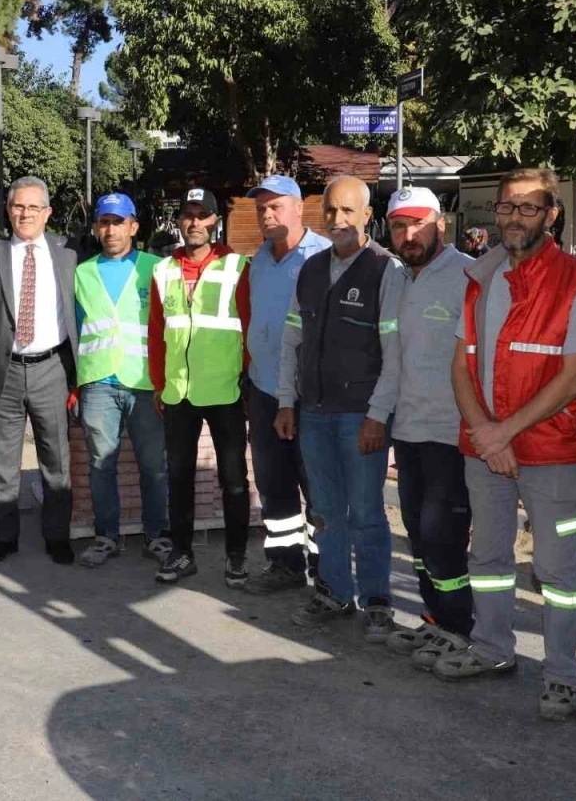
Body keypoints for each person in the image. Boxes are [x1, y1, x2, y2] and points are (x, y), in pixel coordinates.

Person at [437, 167, 576, 724]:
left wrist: (502, 432)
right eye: (507, 207)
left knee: (558, 571)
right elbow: (462, 364)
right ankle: (492, 649)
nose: (514, 217)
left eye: (529, 208)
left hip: (551, 451)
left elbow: (575, 376)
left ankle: (561, 675)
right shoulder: (480, 275)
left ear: (552, 215)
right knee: (488, 557)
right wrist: (486, 431)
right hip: (484, 446)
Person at [274, 176, 404, 639]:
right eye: (331, 210)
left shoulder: (386, 269)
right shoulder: (309, 271)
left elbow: (394, 354)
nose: (338, 220)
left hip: (360, 415)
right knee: (324, 510)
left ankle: (376, 602)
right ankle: (333, 592)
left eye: (349, 211)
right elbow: (292, 340)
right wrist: (287, 401)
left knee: (366, 512)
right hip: (313, 412)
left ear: (368, 216)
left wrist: (377, 414)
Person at [376, 187, 476, 667]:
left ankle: (460, 628)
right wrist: (381, 413)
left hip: (452, 433)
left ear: (441, 224)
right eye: (399, 225)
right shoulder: (396, 280)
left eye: (418, 223)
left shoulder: (467, 275)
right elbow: (391, 358)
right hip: (408, 429)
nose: (408, 234)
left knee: (443, 536)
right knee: (416, 533)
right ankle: (435, 622)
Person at [0, 176, 78, 565]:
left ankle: (57, 535)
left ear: (47, 213)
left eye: (33, 207)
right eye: (17, 207)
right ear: (8, 211)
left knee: (56, 459)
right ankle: (5, 536)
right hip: (2, 371)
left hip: (52, 368)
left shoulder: (69, 253)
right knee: (3, 461)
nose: (24, 214)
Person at [148, 186, 253, 585]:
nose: (194, 222)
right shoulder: (164, 270)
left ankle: (237, 556)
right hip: (178, 393)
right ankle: (182, 553)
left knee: (234, 479)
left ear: (215, 221)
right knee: (178, 477)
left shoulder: (237, 267)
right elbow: (156, 333)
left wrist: (245, 383)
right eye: (188, 215)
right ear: (179, 221)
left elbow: (248, 325)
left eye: (202, 215)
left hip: (225, 391)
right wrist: (159, 383)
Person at [242, 174, 331, 594]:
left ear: (299, 208)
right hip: (262, 388)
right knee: (273, 482)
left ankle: (324, 568)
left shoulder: (324, 257)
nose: (267, 214)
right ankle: (285, 565)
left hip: (308, 394)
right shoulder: (259, 259)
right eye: (261, 207)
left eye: (276, 205)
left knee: (316, 481)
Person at [74, 193, 170, 568]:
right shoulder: (82, 272)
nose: (110, 229)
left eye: (118, 222)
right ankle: (106, 537)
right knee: (101, 464)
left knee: (153, 465)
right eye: (104, 222)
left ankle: (157, 536)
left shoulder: (156, 268)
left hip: (146, 383)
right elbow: (75, 326)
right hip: (98, 380)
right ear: (97, 228)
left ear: (133, 226)